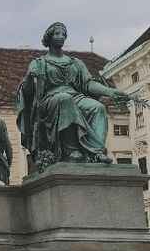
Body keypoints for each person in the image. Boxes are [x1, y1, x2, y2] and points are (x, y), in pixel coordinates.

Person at [16, 21, 131, 167]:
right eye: (57, 33)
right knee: (65, 100)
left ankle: (96, 152)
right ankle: (71, 151)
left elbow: (88, 84)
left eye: (64, 34)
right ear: (49, 37)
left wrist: (109, 91)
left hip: (76, 97)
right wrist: (28, 78)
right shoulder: (39, 63)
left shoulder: (75, 63)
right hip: (50, 100)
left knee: (98, 108)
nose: (61, 36)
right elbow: (27, 92)